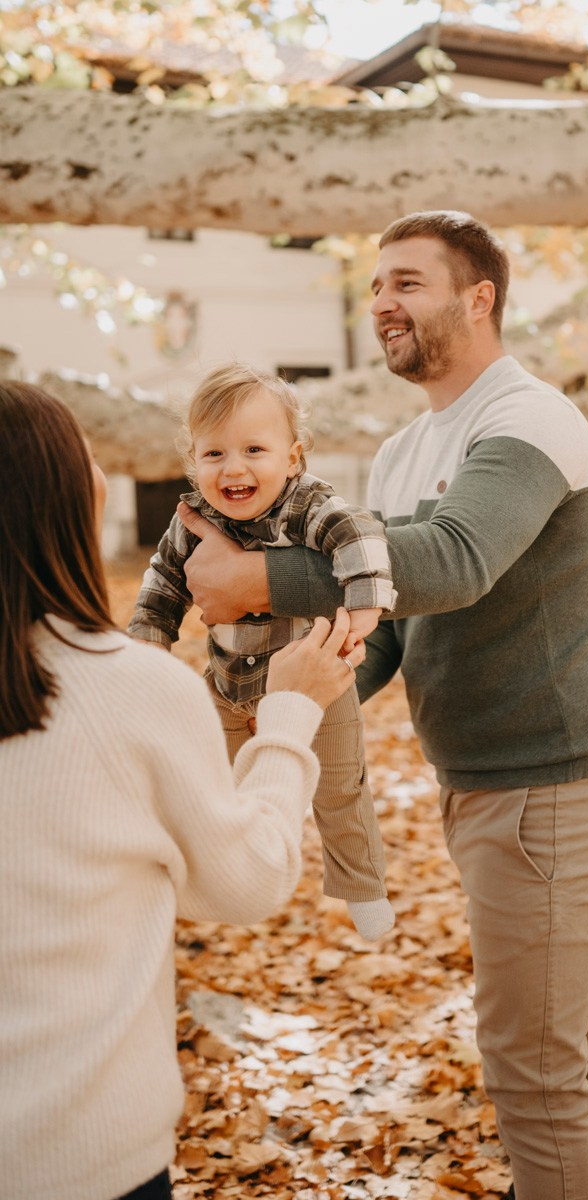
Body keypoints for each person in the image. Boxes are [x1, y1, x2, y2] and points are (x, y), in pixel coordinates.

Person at [176, 211, 588, 1200]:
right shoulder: (399, 454)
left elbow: (456, 562)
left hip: (550, 783)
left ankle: (571, 1168)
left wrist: (259, 577)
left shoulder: (526, 420)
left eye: (408, 282)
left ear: (478, 299)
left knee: (526, 1064)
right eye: (376, 285)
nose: (382, 302)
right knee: (557, 987)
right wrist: (274, 701)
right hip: (484, 783)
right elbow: (379, 623)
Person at [0, 380, 365, 1200]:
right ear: (64, 495)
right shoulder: (133, 690)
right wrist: (289, 714)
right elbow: (243, 881)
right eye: (90, 455)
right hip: (84, 1155)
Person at [128, 364, 397, 941]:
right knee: (207, 786)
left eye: (255, 449)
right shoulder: (192, 521)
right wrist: (147, 648)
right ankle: (213, 873)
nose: (234, 468)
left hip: (313, 684)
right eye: (214, 454)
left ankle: (362, 886)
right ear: (194, 461)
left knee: (341, 792)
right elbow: (162, 586)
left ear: (293, 457)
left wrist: (367, 603)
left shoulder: (306, 506)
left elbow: (359, 533)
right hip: (226, 686)